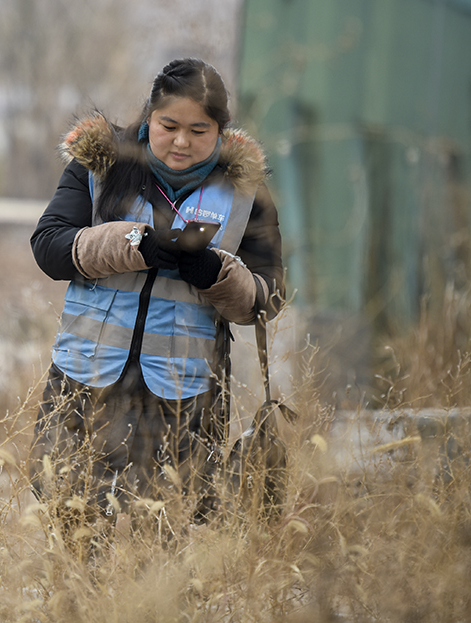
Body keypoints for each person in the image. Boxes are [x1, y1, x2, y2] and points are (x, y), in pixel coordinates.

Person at [28, 57, 284, 547]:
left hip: (184, 398)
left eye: (198, 130)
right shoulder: (99, 164)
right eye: (168, 126)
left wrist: (217, 274)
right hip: (87, 381)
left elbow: (269, 297)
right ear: (149, 117)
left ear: (221, 131)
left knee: (161, 539)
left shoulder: (248, 193)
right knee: (75, 529)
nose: (181, 142)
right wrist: (130, 244)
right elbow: (50, 246)